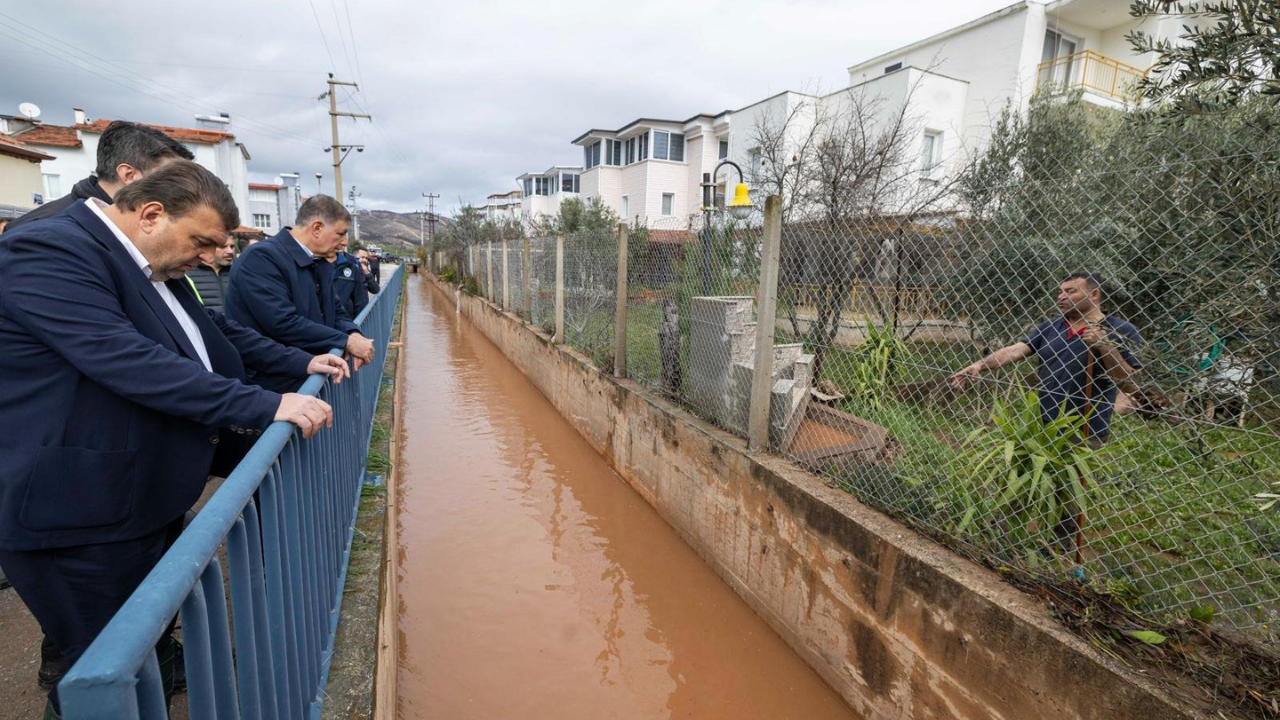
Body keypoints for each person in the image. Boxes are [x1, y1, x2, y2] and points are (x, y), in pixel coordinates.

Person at [0, 160, 350, 717]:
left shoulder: (150, 265)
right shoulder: (51, 249)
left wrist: (302, 360)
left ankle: (162, 670)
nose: (213, 257)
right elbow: (125, 358)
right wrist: (265, 403)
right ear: (152, 214)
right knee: (99, 664)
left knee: (145, 634)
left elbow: (213, 334)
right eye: (204, 241)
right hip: (75, 507)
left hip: (134, 489)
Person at [950, 272, 1143, 555]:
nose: (1062, 297)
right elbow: (1017, 350)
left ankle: (1058, 547)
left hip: (1085, 426)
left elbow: (1127, 378)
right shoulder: (1052, 327)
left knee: (1067, 487)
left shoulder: (1120, 330)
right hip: (1041, 423)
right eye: (1060, 292)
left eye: (1071, 291)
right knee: (1021, 474)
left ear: (1094, 294)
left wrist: (1104, 346)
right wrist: (981, 364)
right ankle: (1002, 531)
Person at [225, 195, 375, 393]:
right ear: (317, 228)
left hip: (307, 376)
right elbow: (283, 322)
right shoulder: (261, 259)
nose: (343, 243)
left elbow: (336, 310)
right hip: (271, 386)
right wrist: (345, 341)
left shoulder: (317, 262)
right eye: (340, 234)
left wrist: (352, 332)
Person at [6, 121, 194, 232]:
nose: (176, 188)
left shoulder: (127, 222)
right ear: (129, 174)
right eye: (170, 177)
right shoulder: (45, 230)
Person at [331, 241, 380, 319]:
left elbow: (375, 289)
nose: (365, 260)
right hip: (348, 317)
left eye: (366, 258)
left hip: (362, 315)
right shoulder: (348, 267)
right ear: (354, 257)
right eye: (362, 257)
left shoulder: (363, 270)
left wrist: (367, 273)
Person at [188, 241, 235, 313]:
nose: (230, 251)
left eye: (232, 246)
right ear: (207, 247)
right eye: (223, 246)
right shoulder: (187, 273)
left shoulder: (239, 272)